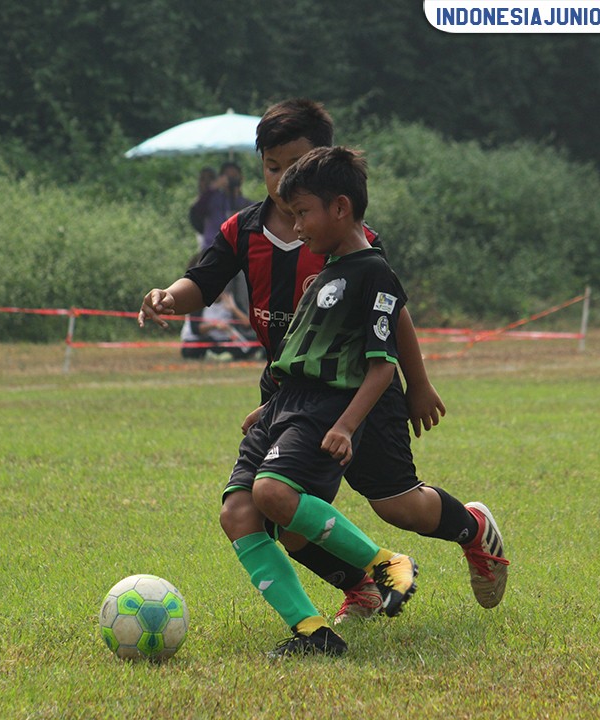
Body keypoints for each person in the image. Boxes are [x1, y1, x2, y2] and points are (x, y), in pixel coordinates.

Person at [140, 99, 508, 622]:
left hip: (360, 387)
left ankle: (471, 528)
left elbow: (391, 308)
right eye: (271, 167)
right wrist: (169, 298)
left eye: (294, 166)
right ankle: (361, 587)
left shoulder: (342, 234)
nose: (281, 178)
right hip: (294, 389)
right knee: (281, 505)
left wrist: (420, 383)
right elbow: (203, 282)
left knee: (395, 504)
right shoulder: (242, 231)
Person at [224, 146, 418, 656]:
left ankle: (385, 563)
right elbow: (301, 353)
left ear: (340, 208)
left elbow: (382, 364)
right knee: (239, 514)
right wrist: (268, 409)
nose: (295, 226)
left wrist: (347, 426)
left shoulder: (375, 274)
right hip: (285, 404)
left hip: (323, 408)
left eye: (302, 213)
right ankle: (313, 632)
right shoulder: (326, 271)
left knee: (272, 495)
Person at [190, 161, 251, 252]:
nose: (231, 179)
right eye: (227, 176)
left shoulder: (247, 204)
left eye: (234, 176)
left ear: (241, 178)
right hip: (212, 250)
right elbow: (196, 211)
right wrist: (213, 187)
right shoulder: (212, 199)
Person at [188, 167, 216, 249]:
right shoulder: (198, 205)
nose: (207, 182)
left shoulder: (223, 200)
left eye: (210, 178)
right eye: (203, 179)